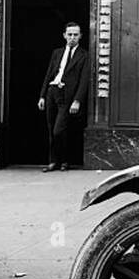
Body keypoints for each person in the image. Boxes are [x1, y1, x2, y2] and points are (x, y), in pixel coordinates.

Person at [37, 21, 90, 172]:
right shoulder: (57, 53)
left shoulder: (84, 55)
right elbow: (49, 74)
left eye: (75, 35)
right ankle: (54, 161)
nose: (72, 37)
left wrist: (77, 100)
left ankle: (65, 159)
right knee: (50, 128)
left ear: (80, 36)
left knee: (59, 130)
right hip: (52, 92)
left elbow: (84, 80)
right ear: (64, 36)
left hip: (67, 96)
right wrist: (42, 96)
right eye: (69, 34)